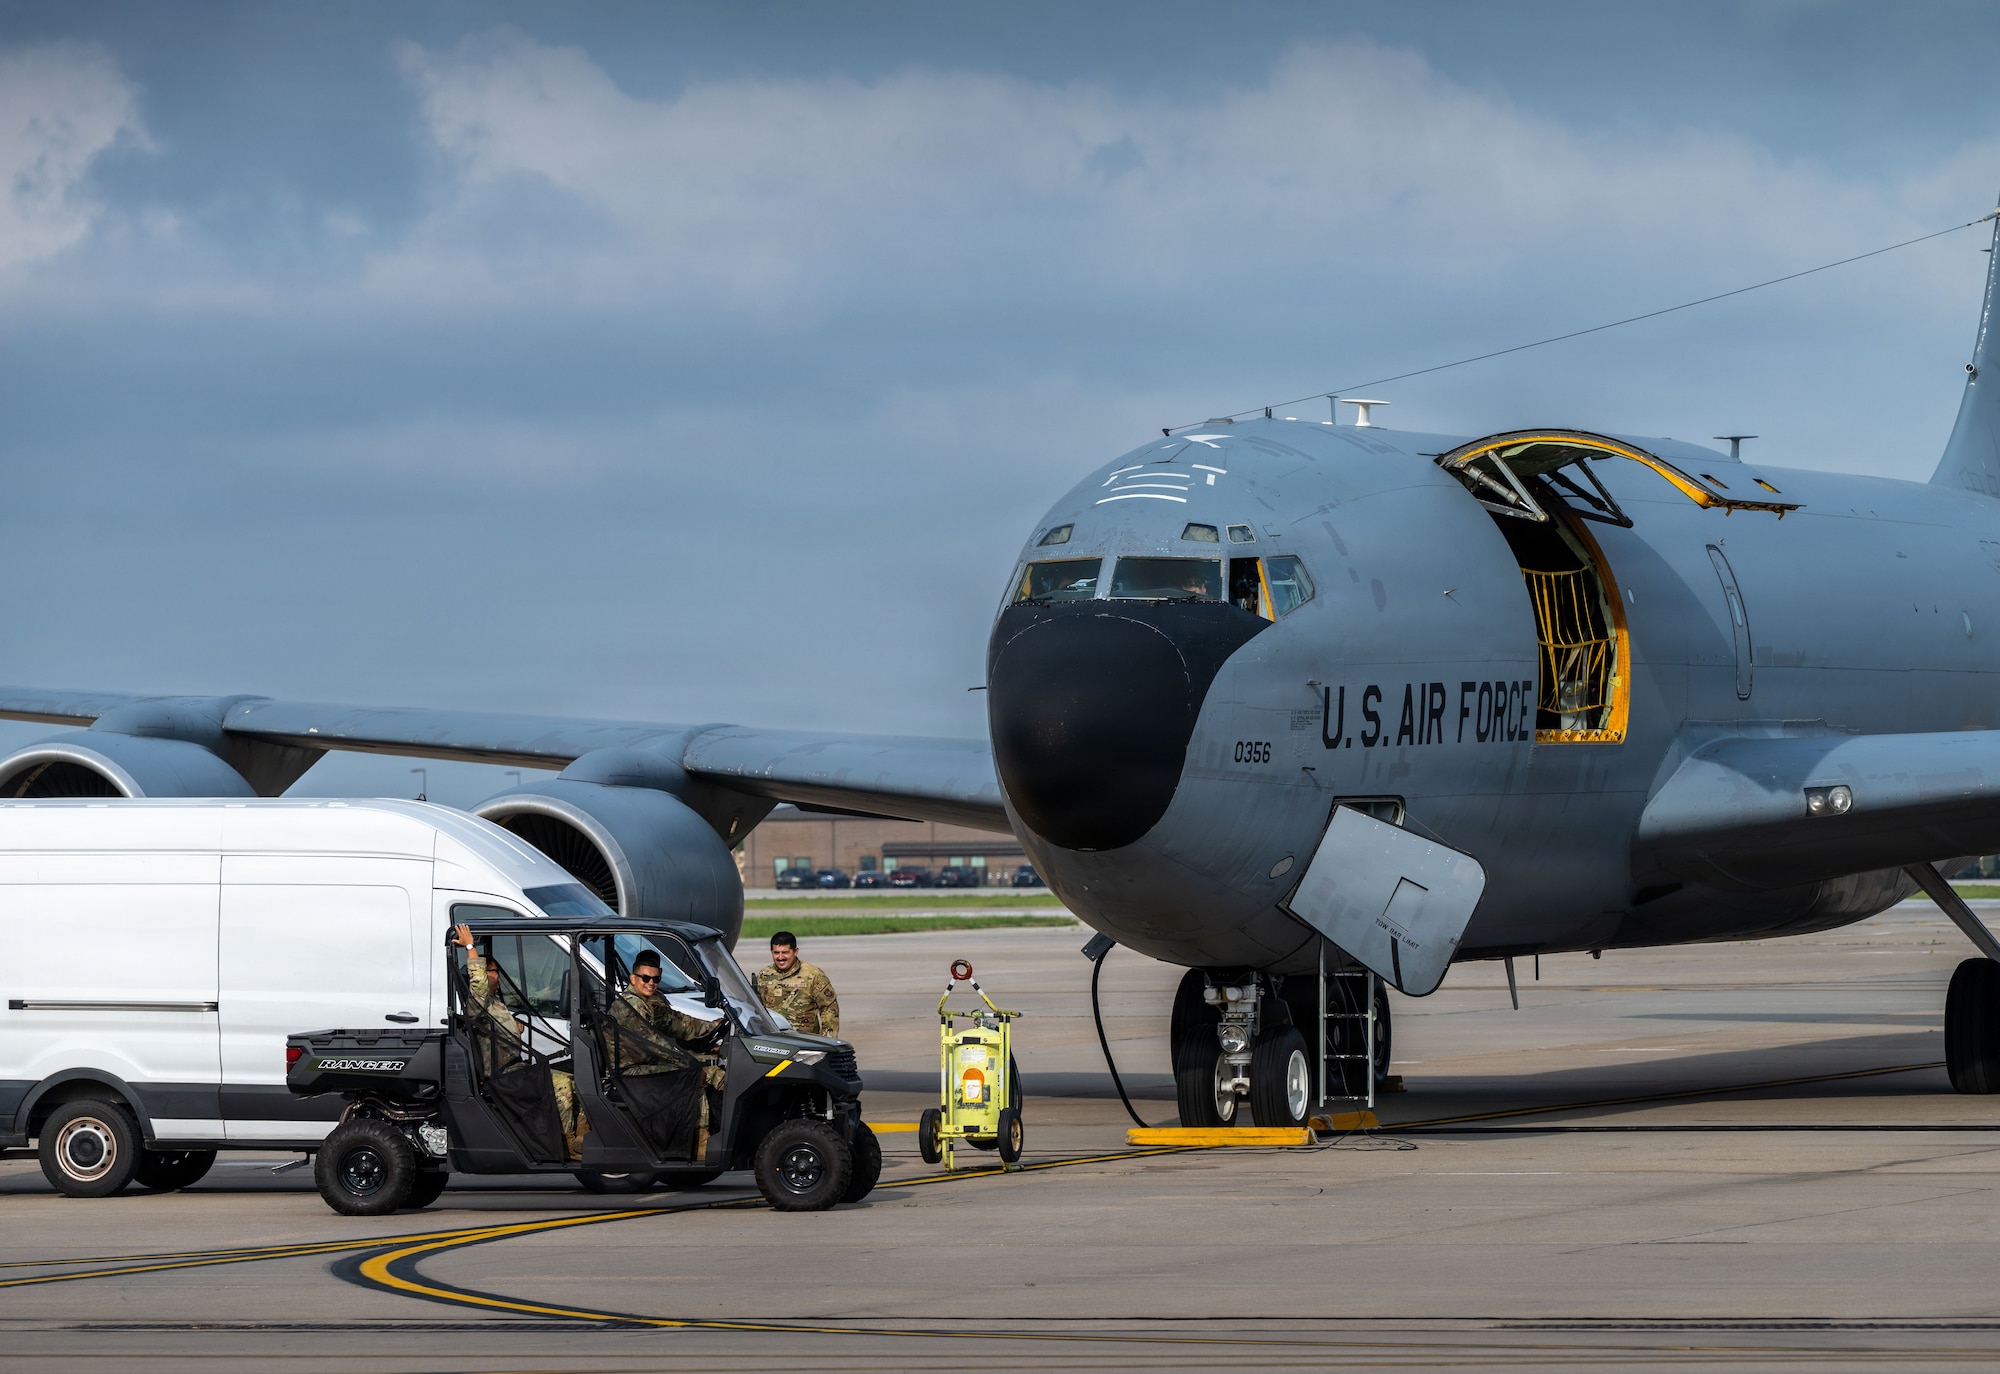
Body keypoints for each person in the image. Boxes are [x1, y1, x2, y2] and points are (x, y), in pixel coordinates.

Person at [453, 923, 588, 1161]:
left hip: (517, 1068)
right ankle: (565, 1144)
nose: (497, 975)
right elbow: (478, 982)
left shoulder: (494, 1003)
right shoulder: (477, 1002)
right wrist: (470, 947)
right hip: (504, 1074)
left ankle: (581, 1136)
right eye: (493, 971)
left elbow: (501, 1025)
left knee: (576, 1079)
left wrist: (515, 1027)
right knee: (563, 1086)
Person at [607, 949, 727, 1157]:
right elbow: (654, 1045)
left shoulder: (651, 1000)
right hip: (630, 1071)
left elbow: (678, 1023)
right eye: (645, 978)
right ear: (633, 978)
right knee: (695, 1073)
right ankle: (700, 1141)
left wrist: (711, 1027)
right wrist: (689, 1062)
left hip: (647, 1063)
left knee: (710, 1065)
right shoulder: (630, 1006)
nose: (651, 982)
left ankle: (721, 1130)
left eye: (656, 978)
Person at [753, 931, 840, 1037]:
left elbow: (829, 1008)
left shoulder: (813, 975)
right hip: (774, 1040)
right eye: (776, 953)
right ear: (771, 952)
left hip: (805, 1042)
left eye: (785, 952)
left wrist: (828, 1040)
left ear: (795, 951)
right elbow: (756, 1008)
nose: (780, 957)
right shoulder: (764, 975)